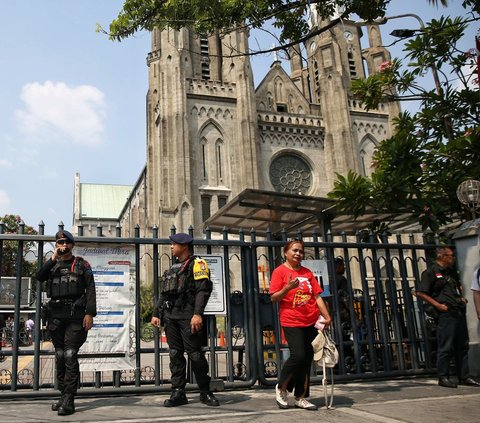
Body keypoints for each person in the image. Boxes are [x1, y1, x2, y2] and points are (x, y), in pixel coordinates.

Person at [151, 233, 219, 407]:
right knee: (175, 355)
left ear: (184, 246)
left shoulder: (198, 264)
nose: (171, 247)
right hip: (171, 317)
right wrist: (156, 313)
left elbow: (203, 291)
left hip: (188, 317)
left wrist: (197, 314)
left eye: (174, 244)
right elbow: (164, 293)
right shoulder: (173, 267)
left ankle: (205, 391)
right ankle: (178, 392)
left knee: (195, 355)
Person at [36, 230, 96, 415]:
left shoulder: (81, 264)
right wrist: (52, 259)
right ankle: (63, 395)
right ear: (56, 245)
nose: (63, 245)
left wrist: (90, 313)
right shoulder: (52, 265)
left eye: (66, 242)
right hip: (55, 316)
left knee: (70, 354)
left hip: (75, 316)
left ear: (71, 244)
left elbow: (91, 288)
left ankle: (69, 399)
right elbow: (39, 276)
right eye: (59, 242)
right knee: (60, 355)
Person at [269, 239, 332, 410]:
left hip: (311, 320)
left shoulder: (307, 273)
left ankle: (300, 396)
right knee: (298, 355)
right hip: (291, 320)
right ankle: (282, 387)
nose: (298, 254)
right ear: (286, 253)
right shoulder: (279, 272)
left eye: (301, 251)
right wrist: (287, 288)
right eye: (295, 250)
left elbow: (317, 296)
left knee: (307, 360)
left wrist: (327, 317)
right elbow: (274, 297)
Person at [416, 246, 480, 388]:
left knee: (462, 345)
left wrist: (461, 298)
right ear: (442, 256)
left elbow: (456, 288)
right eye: (450, 255)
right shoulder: (430, 272)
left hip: (457, 311)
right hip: (445, 314)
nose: (453, 258)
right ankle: (443, 377)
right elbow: (420, 293)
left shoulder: (450, 273)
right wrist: (438, 305)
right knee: (445, 346)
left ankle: (464, 376)